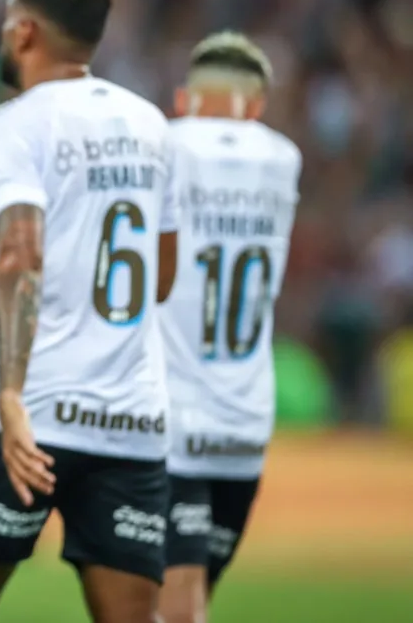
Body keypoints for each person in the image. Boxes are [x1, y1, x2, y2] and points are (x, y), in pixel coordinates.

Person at [0, 0, 178, 623]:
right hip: (129, 419)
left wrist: (11, 395)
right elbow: (164, 273)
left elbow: (21, 253)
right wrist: (46, 256)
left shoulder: (12, 123)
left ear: (26, 30)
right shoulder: (151, 124)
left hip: (27, 416)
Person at [155, 33, 301, 623]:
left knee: (175, 606)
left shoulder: (166, 143)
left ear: (184, 98)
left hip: (174, 411)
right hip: (246, 419)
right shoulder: (284, 158)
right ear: (259, 105)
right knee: (193, 598)